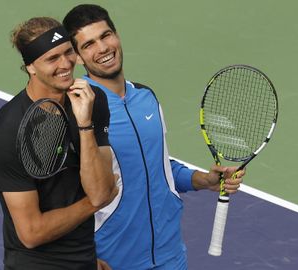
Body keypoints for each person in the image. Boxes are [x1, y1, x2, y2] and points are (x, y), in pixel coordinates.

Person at [63, 5, 245, 270]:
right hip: (112, 260)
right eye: (89, 44)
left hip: (169, 255)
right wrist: (84, 259)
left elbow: (158, 167)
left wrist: (203, 180)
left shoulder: (146, 98)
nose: (102, 48)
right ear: (77, 56)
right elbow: (61, 193)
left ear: (117, 36)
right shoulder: (79, 108)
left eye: (106, 36)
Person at [0, 17, 118, 270]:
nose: (66, 63)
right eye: (52, 58)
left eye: (68, 52)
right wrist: (92, 203)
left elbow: (101, 190)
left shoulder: (92, 100)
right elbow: (31, 233)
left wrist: (85, 124)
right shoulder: (8, 131)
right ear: (31, 68)